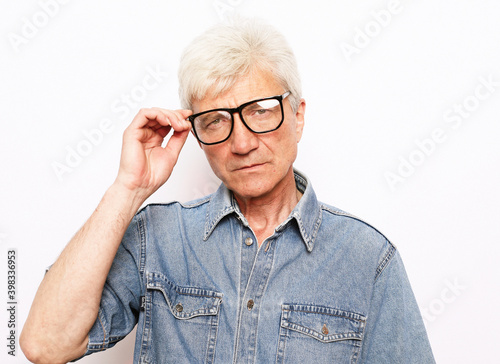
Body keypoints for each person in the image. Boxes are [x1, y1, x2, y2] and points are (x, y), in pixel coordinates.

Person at [20, 18, 435, 364]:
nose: (241, 142)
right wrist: (129, 188)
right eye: (217, 120)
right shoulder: (159, 238)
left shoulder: (367, 260)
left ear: (297, 117)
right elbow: (44, 344)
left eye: (260, 111)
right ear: (196, 134)